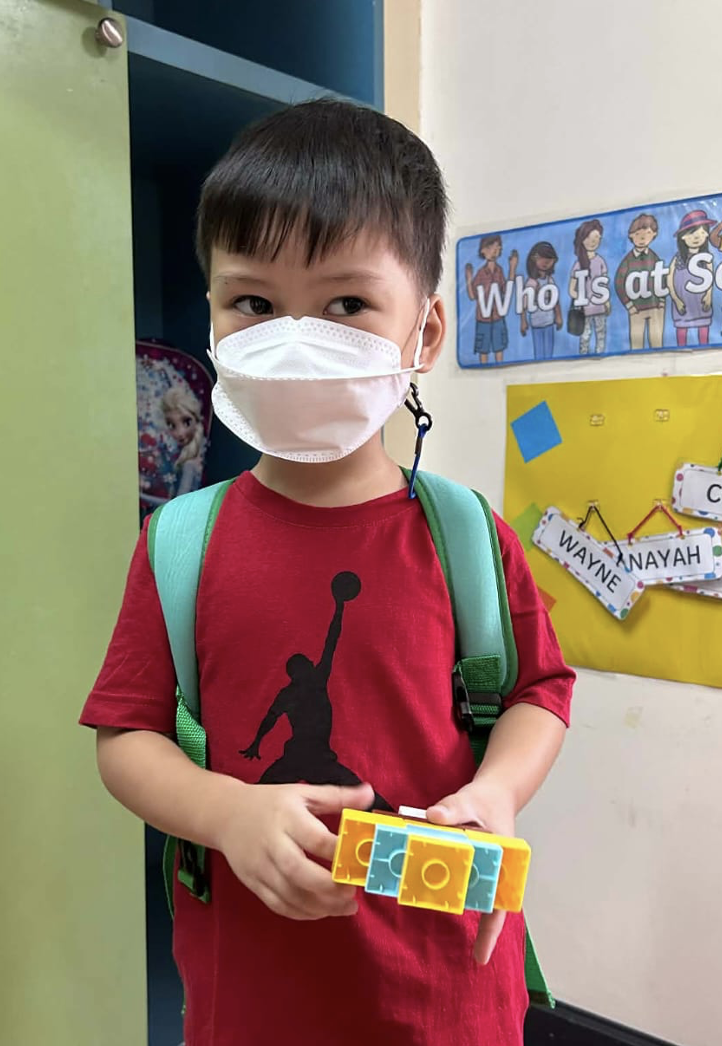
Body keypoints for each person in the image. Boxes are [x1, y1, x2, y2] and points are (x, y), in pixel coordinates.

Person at [80, 99, 574, 1046]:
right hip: (252, 994)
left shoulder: (467, 536)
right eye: (254, 304)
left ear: (424, 334)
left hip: (448, 996)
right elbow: (126, 736)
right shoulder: (179, 544)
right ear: (213, 317)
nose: (296, 338)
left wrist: (497, 792)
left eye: (347, 305)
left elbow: (538, 693)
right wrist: (224, 812)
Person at [614, 213, 665, 351]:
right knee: (636, 347)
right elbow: (619, 283)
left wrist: (661, 301)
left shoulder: (654, 257)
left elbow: (662, 279)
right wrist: (629, 305)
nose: (642, 238)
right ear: (631, 235)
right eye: (638, 234)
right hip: (636, 310)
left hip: (655, 309)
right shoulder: (627, 261)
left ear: (654, 235)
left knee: (658, 345)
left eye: (647, 233)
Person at [464, 235, 518, 364]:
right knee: (483, 349)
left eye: (497, 248)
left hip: (498, 317)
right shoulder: (481, 273)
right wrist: (469, 278)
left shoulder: (499, 271)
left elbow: (506, 290)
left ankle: (499, 370)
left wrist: (512, 268)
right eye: (490, 248)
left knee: (499, 348)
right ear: (483, 250)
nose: (494, 251)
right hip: (483, 320)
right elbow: (472, 296)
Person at [668, 209, 715, 347]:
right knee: (681, 331)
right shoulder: (678, 258)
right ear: (683, 237)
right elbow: (669, 280)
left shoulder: (706, 258)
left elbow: (711, 278)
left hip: (701, 303)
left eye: (701, 233)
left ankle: (705, 350)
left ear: (706, 234)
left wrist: (708, 295)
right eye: (692, 233)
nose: (697, 237)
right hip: (682, 304)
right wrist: (676, 299)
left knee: (704, 330)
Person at [569, 218, 611, 355]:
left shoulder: (600, 261)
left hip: (599, 308)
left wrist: (606, 302)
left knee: (601, 334)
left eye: (597, 238)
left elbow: (604, 285)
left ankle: (600, 355)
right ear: (582, 240)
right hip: (584, 311)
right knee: (585, 336)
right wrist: (581, 299)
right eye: (589, 238)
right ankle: (584, 356)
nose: (593, 242)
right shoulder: (578, 264)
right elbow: (571, 289)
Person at [520, 241, 562, 360]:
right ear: (533, 259)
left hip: (549, 322)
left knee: (549, 353)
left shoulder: (550, 280)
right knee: (539, 353)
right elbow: (523, 305)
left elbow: (555, 301)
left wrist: (558, 316)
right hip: (536, 323)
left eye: (549, 259)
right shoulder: (531, 283)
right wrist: (523, 321)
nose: (545, 262)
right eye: (541, 258)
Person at [161, 384, 206, 495]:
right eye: (172, 425)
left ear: (196, 421)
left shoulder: (188, 465)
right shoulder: (192, 461)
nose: (180, 433)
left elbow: (179, 501)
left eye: (186, 422)